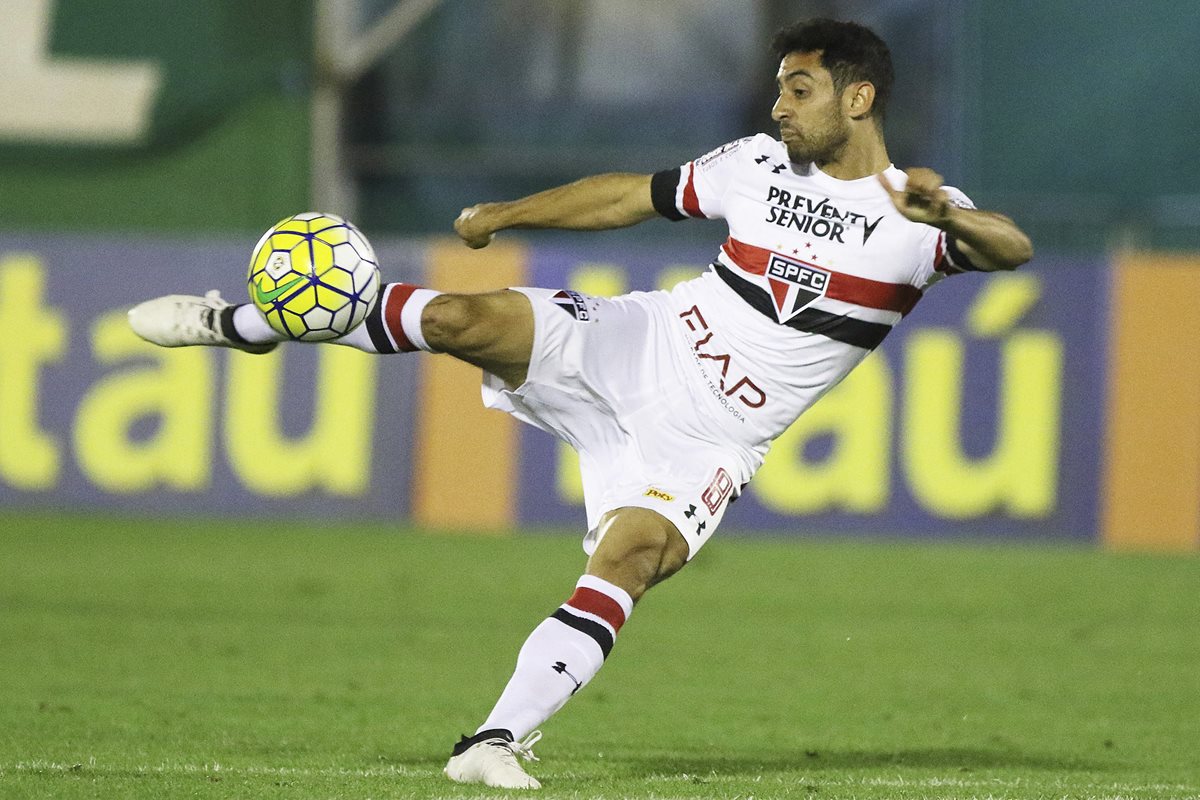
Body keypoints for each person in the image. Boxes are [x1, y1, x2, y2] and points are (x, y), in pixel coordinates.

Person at [128, 18, 1032, 790]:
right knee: (456, 317)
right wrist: (509, 212)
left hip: (711, 438)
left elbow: (1010, 247)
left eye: (798, 90)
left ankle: (491, 743)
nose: (778, 107)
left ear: (859, 100)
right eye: (780, 90)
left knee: (633, 561)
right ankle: (246, 322)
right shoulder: (756, 166)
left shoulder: (916, 216)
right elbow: (629, 198)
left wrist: (948, 219)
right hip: (642, 341)